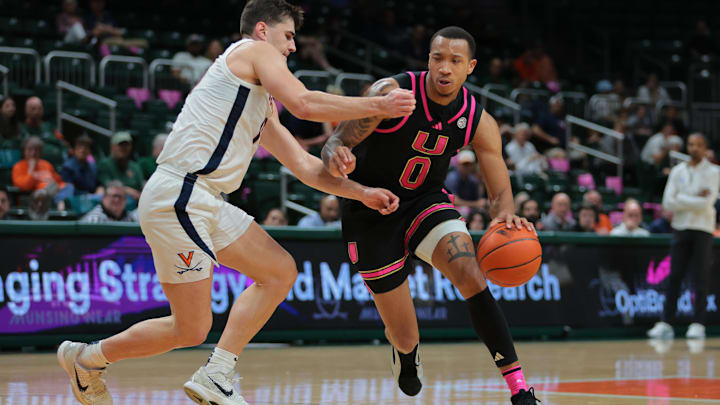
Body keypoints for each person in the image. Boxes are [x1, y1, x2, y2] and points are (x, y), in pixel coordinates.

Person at [56, 1, 415, 405]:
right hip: (182, 192)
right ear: (263, 31)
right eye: (289, 36)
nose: (293, 47)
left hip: (204, 198)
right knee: (193, 326)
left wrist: (362, 193)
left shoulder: (257, 101)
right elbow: (306, 104)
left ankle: (212, 371)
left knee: (277, 273)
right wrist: (378, 106)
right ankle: (89, 359)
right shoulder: (251, 51)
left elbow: (304, 166)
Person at [322, 26, 540, 405]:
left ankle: (519, 389)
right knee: (404, 333)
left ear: (470, 67)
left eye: (455, 61)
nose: (445, 67)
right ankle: (407, 353)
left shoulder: (476, 117)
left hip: (426, 203)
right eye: (438, 58)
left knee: (470, 273)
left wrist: (505, 216)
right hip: (370, 208)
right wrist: (336, 154)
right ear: (427, 60)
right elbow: (336, 141)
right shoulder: (391, 94)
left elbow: (497, 181)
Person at [648, 134, 719, 340]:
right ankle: (666, 323)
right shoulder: (678, 170)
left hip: (703, 229)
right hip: (680, 227)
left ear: (705, 148)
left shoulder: (714, 172)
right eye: (691, 144)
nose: (694, 148)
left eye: (699, 145)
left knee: (701, 278)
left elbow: (707, 203)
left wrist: (682, 198)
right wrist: (695, 198)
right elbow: (667, 203)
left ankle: (698, 324)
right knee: (675, 276)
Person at [12, 136, 74, 204]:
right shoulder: (18, 166)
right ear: (24, 151)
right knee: (46, 192)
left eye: (36, 150)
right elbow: (25, 187)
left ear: (40, 152)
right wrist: (31, 169)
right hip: (34, 195)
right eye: (30, 150)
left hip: (53, 191)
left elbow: (58, 181)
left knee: (69, 187)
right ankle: (60, 202)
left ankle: (60, 202)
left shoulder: (46, 164)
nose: (33, 153)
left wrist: (51, 180)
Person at [96, 131, 144, 201]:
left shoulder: (135, 167)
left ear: (131, 147)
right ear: (112, 146)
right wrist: (127, 190)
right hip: (113, 202)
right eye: (121, 145)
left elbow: (142, 187)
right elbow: (107, 185)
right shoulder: (104, 164)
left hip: (135, 205)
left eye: (127, 145)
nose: (124, 148)